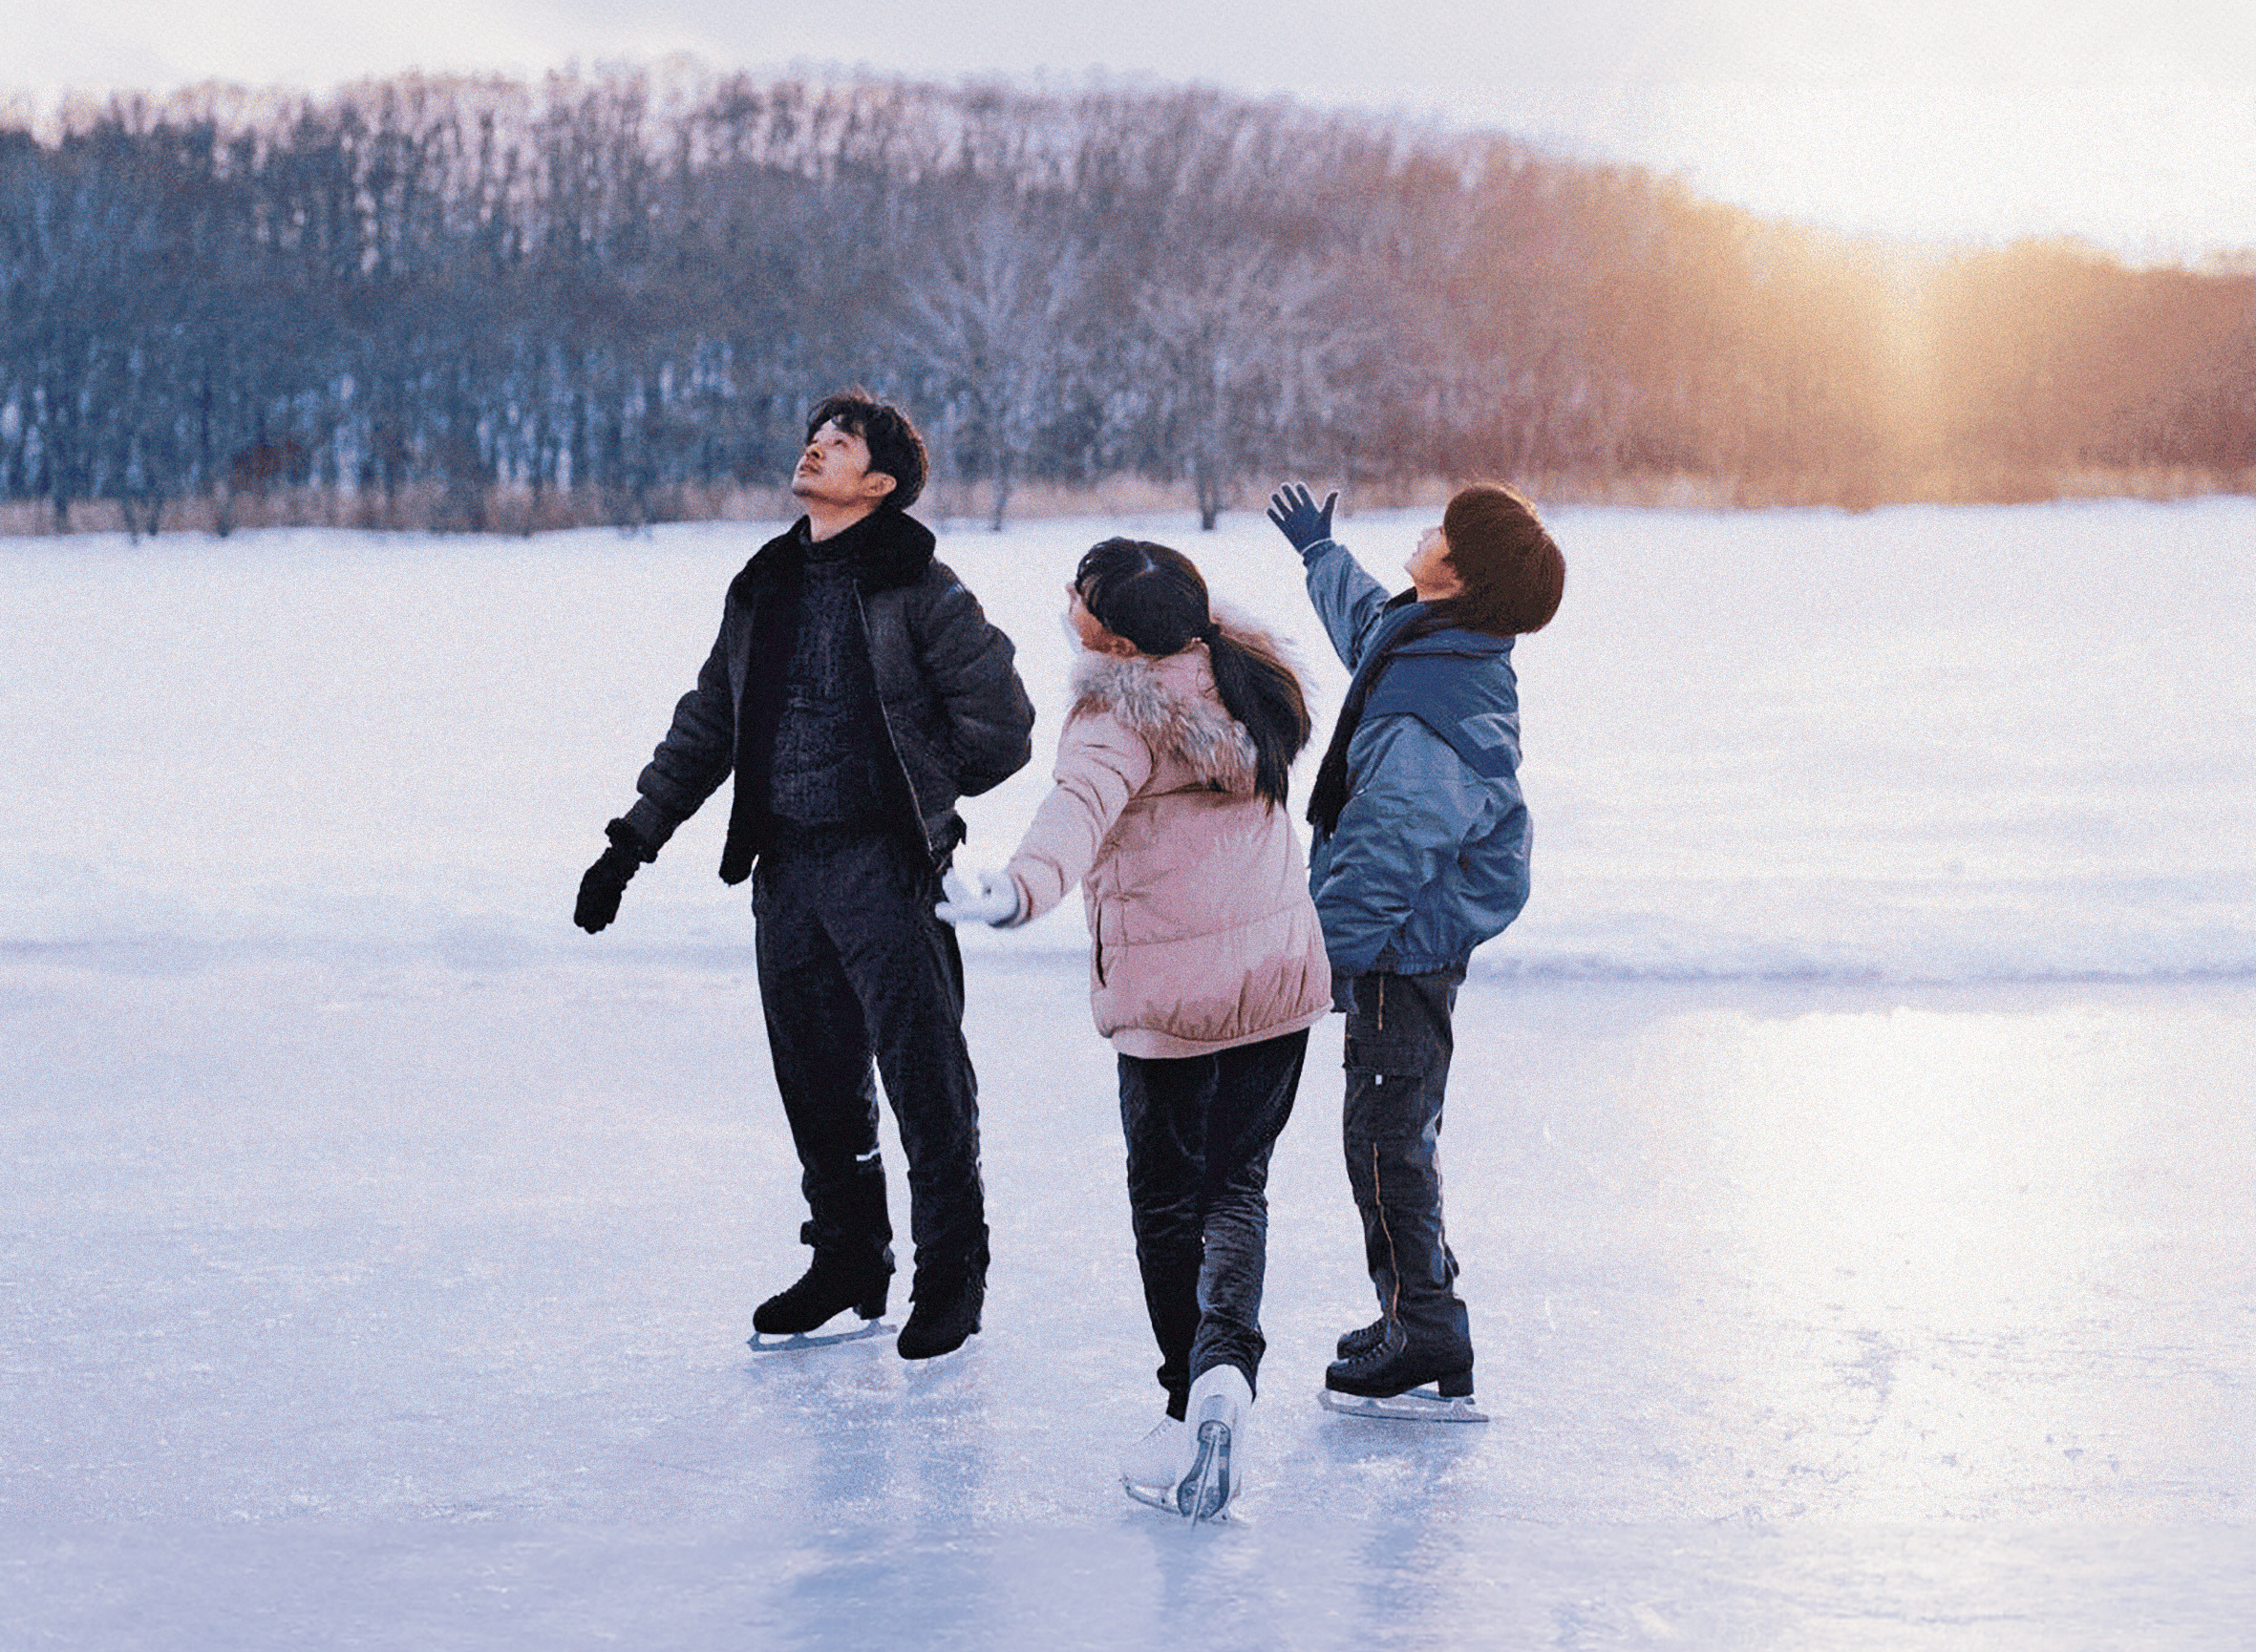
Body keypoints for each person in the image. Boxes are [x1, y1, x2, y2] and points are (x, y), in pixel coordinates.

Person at [574, 392, 1035, 1362]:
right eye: (816, 434)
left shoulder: (923, 585)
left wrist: (912, 790)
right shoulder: (765, 582)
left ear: (879, 483)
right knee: (817, 1081)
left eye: (842, 441)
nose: (816, 444)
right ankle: (848, 1260)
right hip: (784, 866)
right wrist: (630, 843)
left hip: (886, 867)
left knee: (925, 1080)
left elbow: (1003, 724)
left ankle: (953, 1271)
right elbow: (710, 723)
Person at [936, 538, 1330, 1520]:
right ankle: (1226, 1376)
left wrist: (1015, 892)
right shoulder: (1244, 675)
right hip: (1278, 986)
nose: (1065, 598)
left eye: (1077, 591)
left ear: (1109, 631)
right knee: (1237, 1188)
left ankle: (1182, 1397)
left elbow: (1076, 811)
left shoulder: (1118, 709)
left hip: (1175, 1003)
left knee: (1167, 1204)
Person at [1266, 480, 1564, 1413]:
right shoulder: (1432, 639)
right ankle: (1412, 1305)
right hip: (1404, 937)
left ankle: (1426, 1323)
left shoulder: (1431, 700)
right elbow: (1367, 630)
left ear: (1459, 572)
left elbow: (1385, 847)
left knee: (1387, 1138)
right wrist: (1320, 553)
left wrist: (1311, 963)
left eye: (1441, 529)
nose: (1424, 531)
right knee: (1390, 1129)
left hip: (1403, 945)